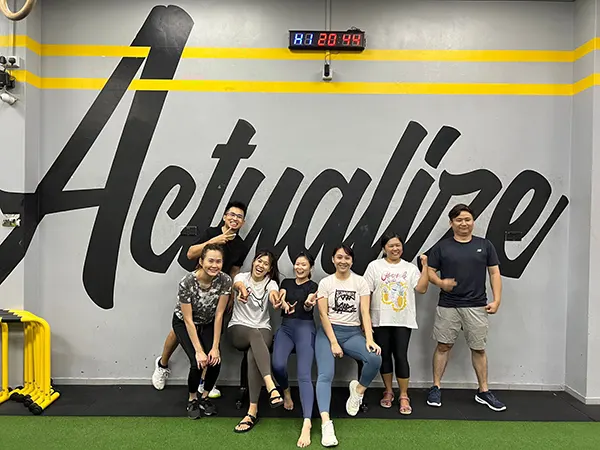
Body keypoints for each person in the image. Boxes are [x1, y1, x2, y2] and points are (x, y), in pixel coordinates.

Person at [152, 201, 249, 398]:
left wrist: (231, 294)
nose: (234, 219)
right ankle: (162, 365)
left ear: (243, 222)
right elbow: (190, 254)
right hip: (197, 288)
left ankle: (205, 381)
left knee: (212, 332)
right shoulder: (211, 232)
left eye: (239, 217)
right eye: (231, 214)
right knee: (180, 328)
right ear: (224, 216)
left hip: (219, 292)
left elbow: (234, 271)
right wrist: (216, 240)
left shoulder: (241, 245)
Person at [426, 203, 505, 411]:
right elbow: (430, 271)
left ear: (473, 222)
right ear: (451, 223)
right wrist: (441, 283)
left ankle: (483, 391)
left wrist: (497, 300)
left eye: (467, 219)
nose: (464, 223)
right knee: (443, 346)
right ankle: (436, 387)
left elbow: (494, 273)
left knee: (478, 348)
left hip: (477, 305)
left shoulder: (485, 245)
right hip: (448, 305)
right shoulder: (442, 247)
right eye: (459, 220)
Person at [315, 244, 382, 447]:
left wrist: (369, 338)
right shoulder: (326, 282)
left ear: (352, 261)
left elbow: (365, 313)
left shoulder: (360, 282)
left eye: (347, 258)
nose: (343, 261)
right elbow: (323, 315)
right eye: (339, 257)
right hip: (328, 333)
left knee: (374, 358)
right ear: (333, 260)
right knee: (325, 375)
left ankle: (358, 391)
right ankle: (326, 424)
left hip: (352, 332)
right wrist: (334, 342)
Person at [363, 233, 429, 415]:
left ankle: (404, 395)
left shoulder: (410, 268)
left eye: (398, 245)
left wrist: (424, 267)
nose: (395, 249)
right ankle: (388, 391)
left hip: (403, 320)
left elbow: (422, 288)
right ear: (384, 248)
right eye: (391, 246)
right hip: (380, 320)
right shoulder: (374, 266)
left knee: (401, 356)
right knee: (383, 356)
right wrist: (365, 320)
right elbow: (366, 293)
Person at [171, 244, 231, 419]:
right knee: (197, 362)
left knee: (215, 361)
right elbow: (188, 319)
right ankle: (192, 399)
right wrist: (198, 350)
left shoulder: (225, 280)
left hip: (209, 322)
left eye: (218, 261)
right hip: (185, 323)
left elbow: (219, 314)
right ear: (201, 261)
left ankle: (204, 397)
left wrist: (215, 347)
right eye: (210, 261)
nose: (214, 265)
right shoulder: (187, 282)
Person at [228, 250, 285, 433]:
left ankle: (252, 411)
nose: (261, 265)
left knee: (254, 352)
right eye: (259, 261)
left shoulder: (271, 283)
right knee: (254, 333)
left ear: (269, 269)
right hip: (239, 328)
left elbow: (273, 295)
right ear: (253, 262)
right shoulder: (242, 277)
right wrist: (242, 290)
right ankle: (271, 385)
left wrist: (276, 301)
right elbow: (237, 285)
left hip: (262, 329)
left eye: (266, 264)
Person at [272, 252, 319, 448]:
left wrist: (308, 305)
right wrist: (283, 304)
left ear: (310, 268)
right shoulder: (286, 283)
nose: (299, 267)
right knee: (277, 365)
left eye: (304, 265)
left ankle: (307, 422)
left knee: (304, 374)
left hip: (305, 329)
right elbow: (281, 298)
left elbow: (309, 304)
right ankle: (286, 391)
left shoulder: (313, 286)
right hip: (286, 327)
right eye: (297, 264)